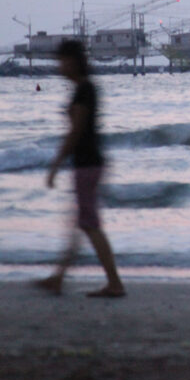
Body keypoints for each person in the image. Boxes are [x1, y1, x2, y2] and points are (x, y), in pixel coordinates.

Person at [35, 40, 125, 298]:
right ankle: (59, 278)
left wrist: (55, 164)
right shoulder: (85, 89)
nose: (59, 66)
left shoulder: (84, 91)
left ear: (72, 61)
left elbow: (76, 131)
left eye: (61, 60)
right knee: (81, 222)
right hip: (89, 162)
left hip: (87, 164)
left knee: (89, 224)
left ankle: (115, 283)